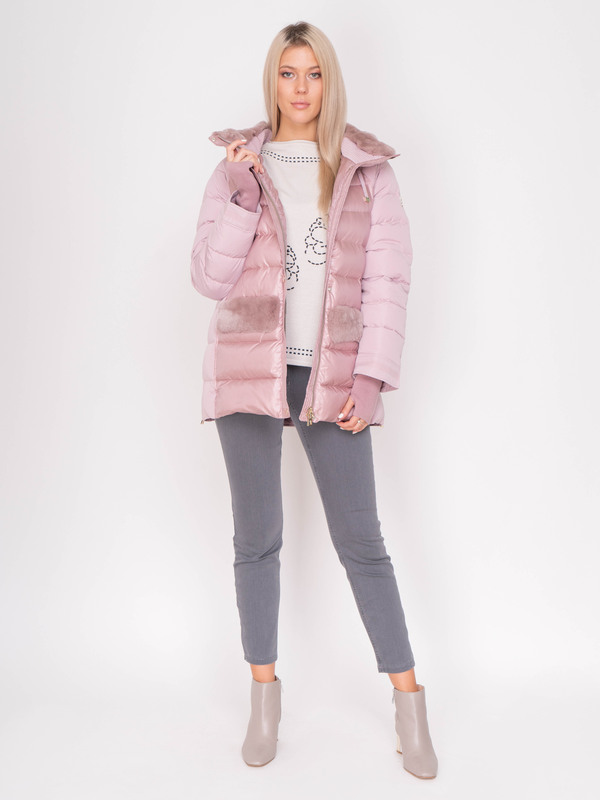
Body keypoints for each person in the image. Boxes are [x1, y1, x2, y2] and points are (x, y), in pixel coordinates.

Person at [189, 21, 438, 778]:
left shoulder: (366, 170)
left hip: (333, 376)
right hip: (248, 368)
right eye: (288, 73)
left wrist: (370, 377)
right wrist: (240, 196)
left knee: (362, 543)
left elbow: (388, 283)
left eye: (314, 73)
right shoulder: (239, 165)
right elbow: (208, 277)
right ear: (273, 81)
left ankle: (410, 703)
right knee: (256, 541)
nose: (300, 87)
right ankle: (264, 701)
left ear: (330, 82)